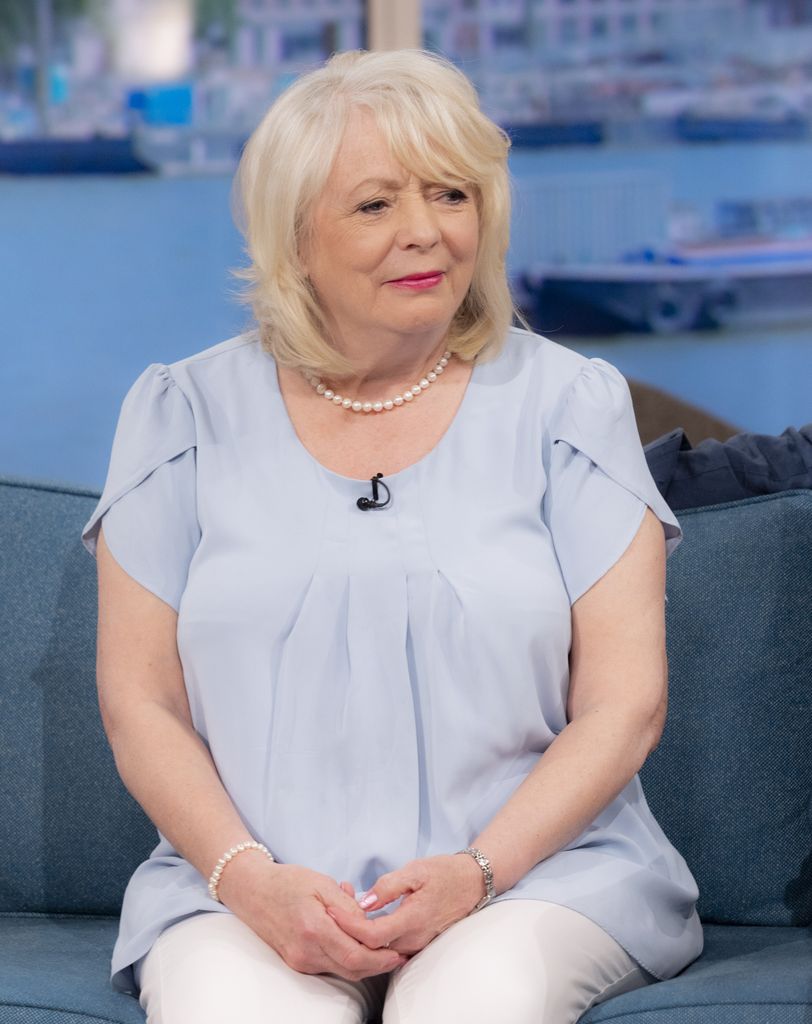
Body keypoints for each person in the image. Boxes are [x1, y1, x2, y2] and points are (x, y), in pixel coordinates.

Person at [82, 48, 703, 1024]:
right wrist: (248, 879)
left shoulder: (566, 404)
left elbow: (622, 705)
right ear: (294, 239)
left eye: (450, 194)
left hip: (532, 880)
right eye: (374, 205)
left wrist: (473, 873)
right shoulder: (180, 414)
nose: (425, 233)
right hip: (252, 890)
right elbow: (139, 703)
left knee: (465, 1002)